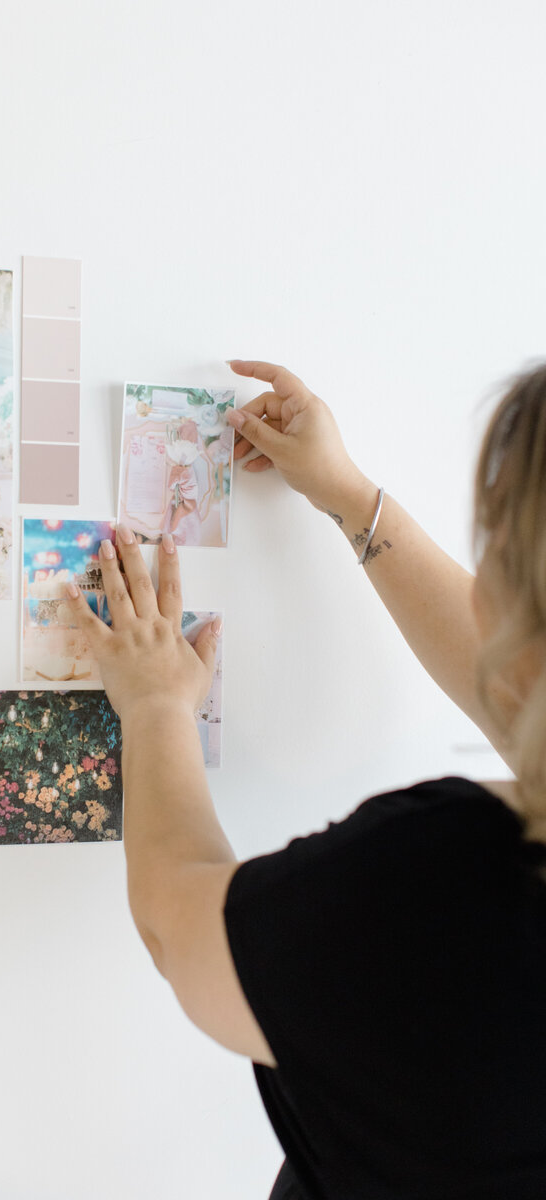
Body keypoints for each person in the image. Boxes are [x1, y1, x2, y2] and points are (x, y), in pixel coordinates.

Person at [62, 359, 546, 1200]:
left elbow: (182, 926)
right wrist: (349, 496)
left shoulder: (460, 879)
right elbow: (517, 688)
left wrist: (154, 707)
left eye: (499, 540)